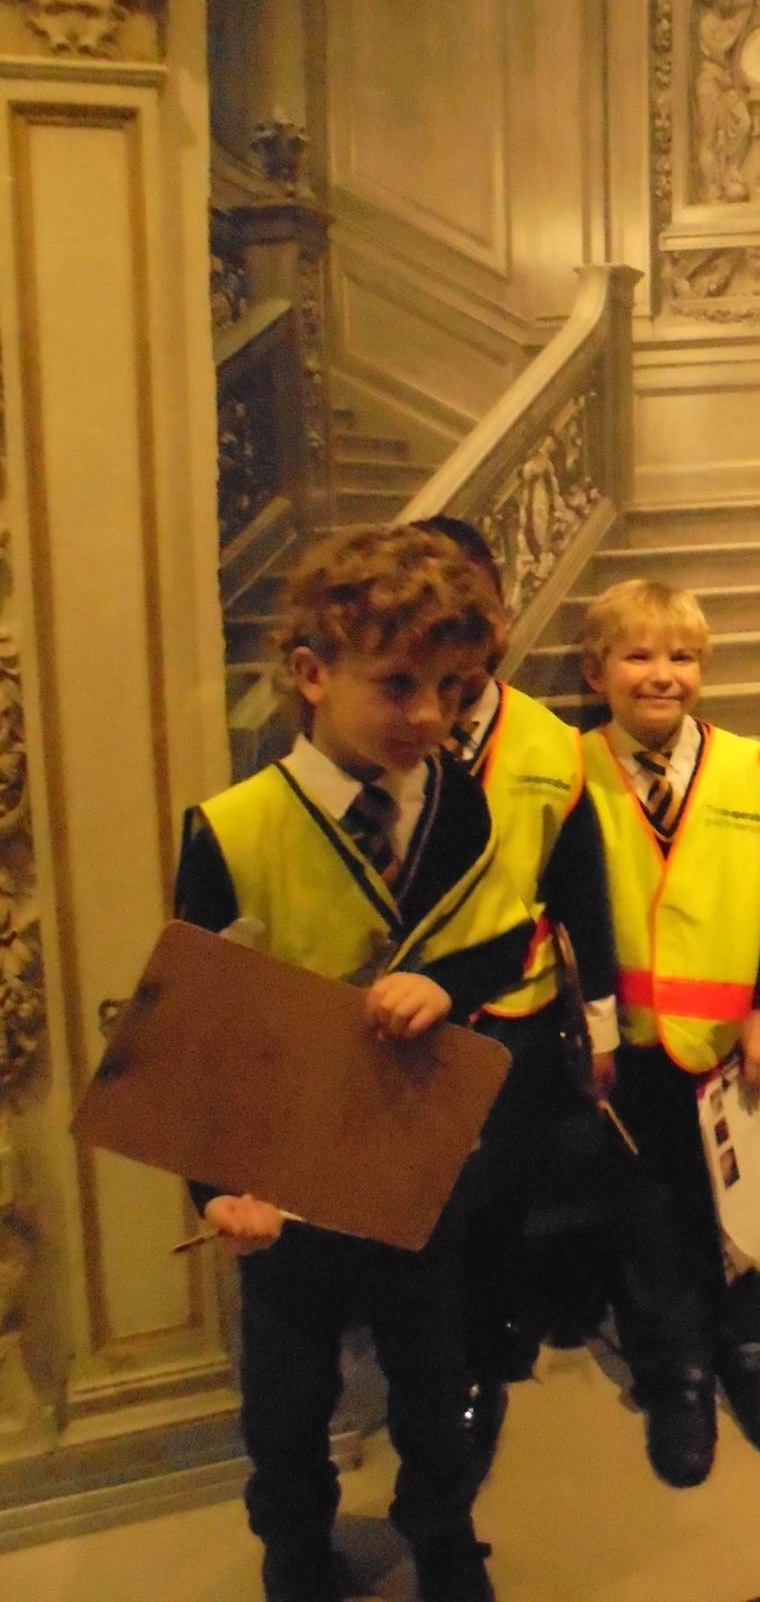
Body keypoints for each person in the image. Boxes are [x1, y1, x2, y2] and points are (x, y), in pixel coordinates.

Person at [175, 524, 528, 1602]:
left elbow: (506, 937)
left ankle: (443, 1532)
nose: (430, 717)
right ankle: (295, 1552)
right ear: (312, 674)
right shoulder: (233, 830)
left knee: (433, 1374)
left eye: (453, 690)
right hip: (287, 1179)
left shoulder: (459, 802)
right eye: (399, 686)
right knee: (286, 1401)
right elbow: (197, 1029)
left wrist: (449, 985)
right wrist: (217, 1185)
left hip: (418, 1160)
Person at [578, 578, 760, 1488]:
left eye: (681, 657)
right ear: (597, 671)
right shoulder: (575, 769)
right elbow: (574, 914)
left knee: (750, 1200)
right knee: (652, 1213)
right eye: (637, 656)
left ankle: (750, 1348)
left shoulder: (748, 766)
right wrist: (594, 1034)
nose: (661, 675)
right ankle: (674, 1370)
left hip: (730, 1039)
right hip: (630, 1047)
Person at [413, 517, 618, 1459]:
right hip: (406, 1024)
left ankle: (491, 1338)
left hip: (520, 1017)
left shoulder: (551, 742)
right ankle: (434, 1356)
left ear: (499, 615)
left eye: (475, 602)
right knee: (425, 1201)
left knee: (504, 1190)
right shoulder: (379, 731)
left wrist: (602, 1025)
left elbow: (582, 890)